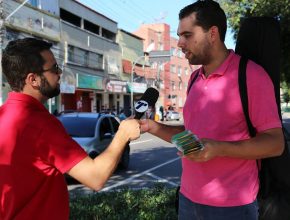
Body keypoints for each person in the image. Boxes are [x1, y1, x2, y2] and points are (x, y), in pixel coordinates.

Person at [139, 1, 284, 219]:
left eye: (187, 35)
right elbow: (189, 135)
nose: (180, 43)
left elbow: (275, 143)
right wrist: (150, 126)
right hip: (188, 200)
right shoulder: (194, 78)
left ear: (212, 33)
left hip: (233, 207)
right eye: (179, 35)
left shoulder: (252, 76)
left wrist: (218, 148)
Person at [0, 38, 140, 220]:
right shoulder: (40, 123)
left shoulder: (4, 116)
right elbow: (96, 178)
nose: (59, 73)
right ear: (33, 79)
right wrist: (123, 134)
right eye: (54, 69)